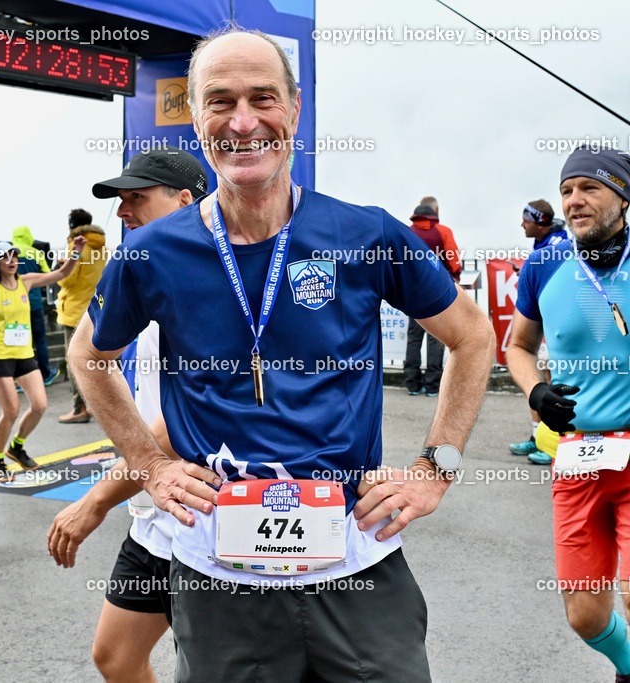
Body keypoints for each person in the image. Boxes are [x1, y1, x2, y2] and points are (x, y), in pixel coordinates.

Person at [68, 26, 494, 680]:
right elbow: (87, 356)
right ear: (197, 116)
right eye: (220, 101)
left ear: (295, 108)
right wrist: (149, 464)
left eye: (263, 98)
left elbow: (471, 336)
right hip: (218, 577)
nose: (243, 121)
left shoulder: (365, 232)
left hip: (356, 565)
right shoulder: (153, 251)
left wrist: (436, 465)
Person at [47, 146, 208, 682]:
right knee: (115, 657)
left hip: (209, 516)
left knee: (212, 667)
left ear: (186, 201)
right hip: (156, 515)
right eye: (120, 200)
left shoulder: (221, 287)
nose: (122, 211)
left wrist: (94, 501)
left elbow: (180, 425)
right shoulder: (148, 272)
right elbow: (90, 357)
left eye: (137, 198)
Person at [508, 146, 630, 683]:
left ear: (623, 198)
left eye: (590, 188)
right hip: (578, 455)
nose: (574, 201)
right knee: (585, 615)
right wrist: (537, 394)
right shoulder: (546, 262)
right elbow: (518, 346)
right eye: (566, 191)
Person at [0, 236, 86, 480]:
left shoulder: (25, 282)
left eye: (14, 256)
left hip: (24, 354)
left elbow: (60, 275)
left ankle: (16, 446)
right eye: (6, 257)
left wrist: (76, 252)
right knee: (11, 411)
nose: (12, 261)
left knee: (39, 405)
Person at [508, 200, 568, 465]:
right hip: (543, 330)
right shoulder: (545, 245)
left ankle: (553, 440)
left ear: (540, 221)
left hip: (553, 331)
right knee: (538, 383)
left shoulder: (559, 245)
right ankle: (539, 436)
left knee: (552, 381)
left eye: (526, 219)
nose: (522, 224)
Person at [403, 202, 462, 397]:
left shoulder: (407, 232)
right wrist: (455, 276)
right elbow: (454, 261)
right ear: (434, 214)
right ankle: (432, 385)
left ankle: (412, 383)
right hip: (437, 293)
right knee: (435, 338)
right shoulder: (443, 231)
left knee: (414, 338)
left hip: (412, 292)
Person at [57, 209, 107, 424]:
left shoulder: (76, 247)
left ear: (71, 225)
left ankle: (80, 408)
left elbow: (67, 280)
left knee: (75, 362)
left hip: (75, 311)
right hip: (96, 309)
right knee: (97, 361)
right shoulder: (101, 246)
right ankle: (101, 406)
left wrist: (62, 267)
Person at [12, 226, 61, 386]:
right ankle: (45, 374)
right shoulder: (35, 253)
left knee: (19, 342)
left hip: (15, 305)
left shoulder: (9, 254)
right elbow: (48, 275)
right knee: (40, 341)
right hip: (34, 304)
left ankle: (20, 380)